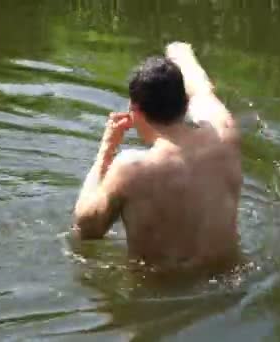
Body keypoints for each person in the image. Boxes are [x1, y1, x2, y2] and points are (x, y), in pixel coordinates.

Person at [72, 42, 242, 275]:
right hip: (227, 286)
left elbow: (86, 228)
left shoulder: (132, 168)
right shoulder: (224, 131)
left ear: (135, 110)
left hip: (161, 294)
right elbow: (202, 88)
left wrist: (107, 148)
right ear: (185, 101)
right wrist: (179, 50)